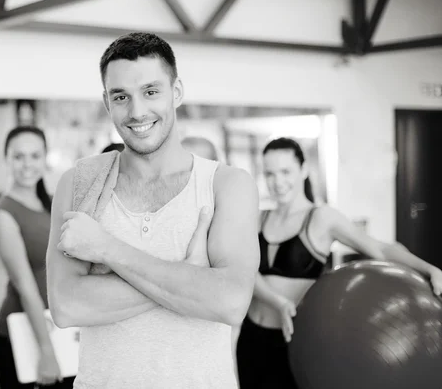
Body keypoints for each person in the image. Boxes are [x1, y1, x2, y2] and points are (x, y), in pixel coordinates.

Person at [46, 32, 260, 389]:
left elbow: (230, 301)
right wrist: (188, 279)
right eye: (121, 97)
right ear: (106, 102)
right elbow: (67, 306)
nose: (137, 112)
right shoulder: (80, 183)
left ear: (176, 92)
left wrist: (106, 249)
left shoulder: (226, 185)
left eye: (151, 92)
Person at [234, 136, 442, 389]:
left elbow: (381, 249)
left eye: (285, 171)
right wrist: (279, 302)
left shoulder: (322, 218)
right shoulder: (260, 218)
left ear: (303, 170)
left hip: (295, 343)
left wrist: (429, 268)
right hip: (252, 338)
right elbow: (242, 268)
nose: (277, 182)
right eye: (269, 174)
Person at [0, 126, 73, 388]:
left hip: (57, 326)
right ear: (7, 159)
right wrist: (46, 351)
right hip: (23, 335)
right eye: (19, 156)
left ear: (45, 158)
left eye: (35, 156)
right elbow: (25, 287)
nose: (27, 164)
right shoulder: (4, 214)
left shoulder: (51, 201)